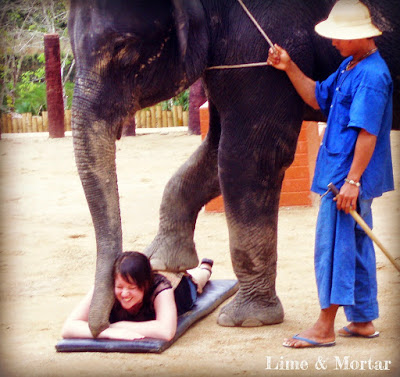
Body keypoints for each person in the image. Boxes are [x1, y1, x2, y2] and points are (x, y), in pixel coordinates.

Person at [267, 0, 394, 348]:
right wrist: (289, 66)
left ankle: (324, 327)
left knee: (334, 248)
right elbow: (316, 96)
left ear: (358, 37)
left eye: (339, 36)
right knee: (354, 246)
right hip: (342, 173)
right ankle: (363, 320)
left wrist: (352, 182)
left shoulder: (371, 76)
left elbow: (367, 133)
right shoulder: (350, 65)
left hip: (346, 179)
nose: (333, 42)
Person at [61, 251, 213, 341]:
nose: (124, 293)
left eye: (131, 288)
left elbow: (166, 331)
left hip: (181, 290)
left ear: (145, 286)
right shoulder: (106, 288)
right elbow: (68, 327)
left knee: (196, 281)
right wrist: (108, 332)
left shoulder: (160, 287)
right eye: (120, 287)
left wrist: (117, 325)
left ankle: (205, 268)